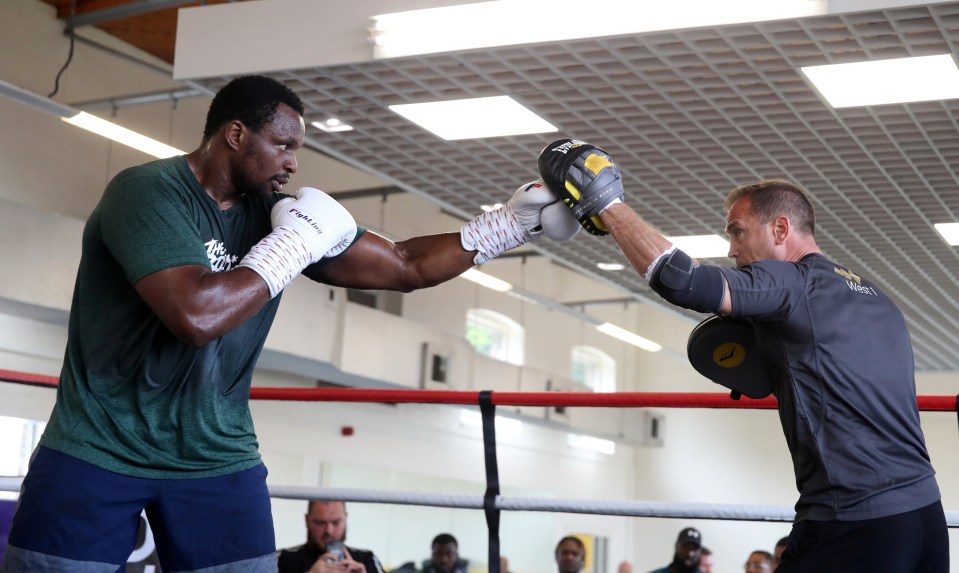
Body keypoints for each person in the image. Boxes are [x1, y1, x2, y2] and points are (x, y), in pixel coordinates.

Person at [0, 74, 570, 573]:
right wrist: (290, 247)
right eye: (282, 145)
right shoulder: (147, 193)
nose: (293, 162)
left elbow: (404, 266)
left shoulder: (278, 216)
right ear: (235, 135)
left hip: (216, 455)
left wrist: (510, 225)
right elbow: (196, 316)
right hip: (98, 446)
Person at [537, 140, 949, 573]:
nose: (732, 250)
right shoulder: (877, 300)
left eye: (737, 231)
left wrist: (608, 204)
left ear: (780, 230)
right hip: (924, 518)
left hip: (855, 522)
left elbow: (682, 280)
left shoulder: (793, 282)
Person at [277, 501, 383, 573]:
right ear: (307, 520)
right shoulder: (282, 558)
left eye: (336, 522)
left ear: (345, 519)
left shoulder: (367, 559)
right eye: (320, 523)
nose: (329, 530)